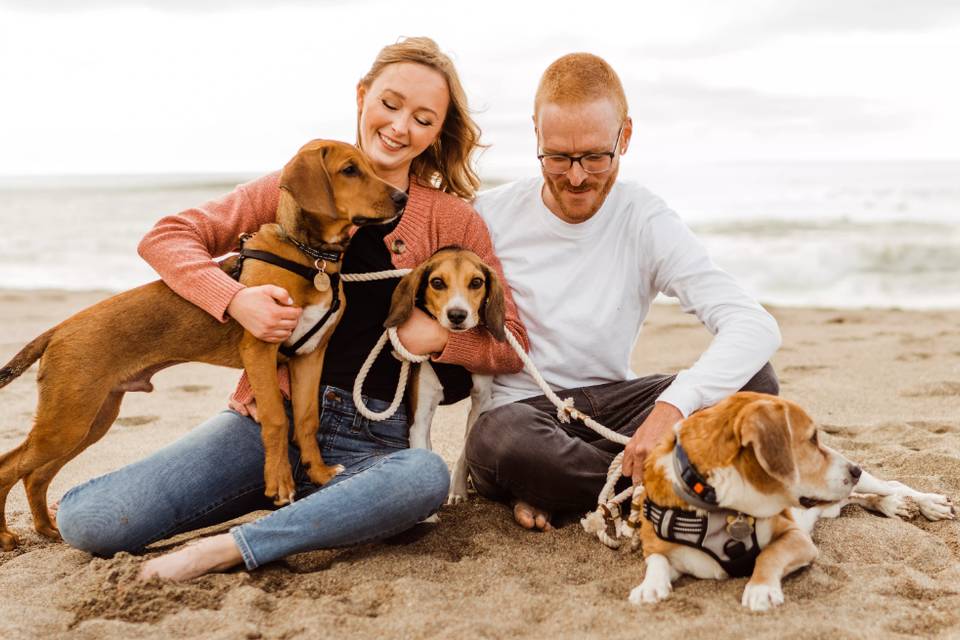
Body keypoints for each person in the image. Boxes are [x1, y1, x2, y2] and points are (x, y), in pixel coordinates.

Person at [53, 36, 528, 580]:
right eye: (391, 105)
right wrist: (234, 299)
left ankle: (234, 546)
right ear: (363, 96)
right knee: (89, 521)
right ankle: (308, 513)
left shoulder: (453, 220)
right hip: (259, 426)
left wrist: (441, 339)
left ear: (438, 130)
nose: (400, 127)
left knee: (422, 477)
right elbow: (168, 236)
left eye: (423, 118)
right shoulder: (291, 186)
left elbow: (513, 342)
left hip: (371, 441)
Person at [465, 53, 781, 531]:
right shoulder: (487, 215)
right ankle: (670, 486)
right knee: (500, 438)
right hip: (527, 422)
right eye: (557, 156)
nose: (576, 177)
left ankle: (573, 490)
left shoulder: (644, 218)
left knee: (756, 383)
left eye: (595, 156)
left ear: (625, 136)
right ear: (536, 134)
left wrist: (672, 409)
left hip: (614, 409)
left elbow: (753, 324)